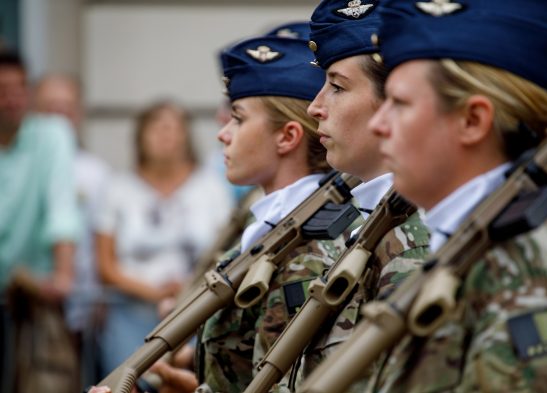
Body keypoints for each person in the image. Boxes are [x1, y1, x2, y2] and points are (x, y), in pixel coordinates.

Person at [365, 0, 547, 390]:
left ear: (473, 121)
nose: (377, 123)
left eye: (399, 103)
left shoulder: (527, 281)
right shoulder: (470, 246)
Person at [281, 1, 430, 391]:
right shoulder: (374, 222)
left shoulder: (415, 240)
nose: (314, 107)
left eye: (337, 87)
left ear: (392, 102)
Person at [195, 34, 348, 393]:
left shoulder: (306, 246)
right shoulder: (276, 227)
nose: (223, 134)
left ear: (287, 137)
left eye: (238, 119)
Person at [94, 101, 233, 375]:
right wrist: (155, 292)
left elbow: (227, 251)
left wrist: (186, 287)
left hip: (194, 313)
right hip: (129, 316)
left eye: (173, 127)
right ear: (140, 136)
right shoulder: (117, 188)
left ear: (186, 135)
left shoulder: (211, 186)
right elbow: (105, 265)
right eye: (156, 127)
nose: (165, 135)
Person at [0, 50, 81, 393]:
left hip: (30, 301)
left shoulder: (53, 135)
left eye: (19, 88)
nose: (12, 98)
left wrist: (63, 277)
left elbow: (61, 208)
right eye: (3, 89)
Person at [34, 73, 111, 384]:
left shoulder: (97, 172)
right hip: (26, 306)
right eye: (50, 107)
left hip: (82, 308)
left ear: (78, 113)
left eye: (66, 107)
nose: (59, 116)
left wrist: (100, 300)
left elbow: (102, 241)